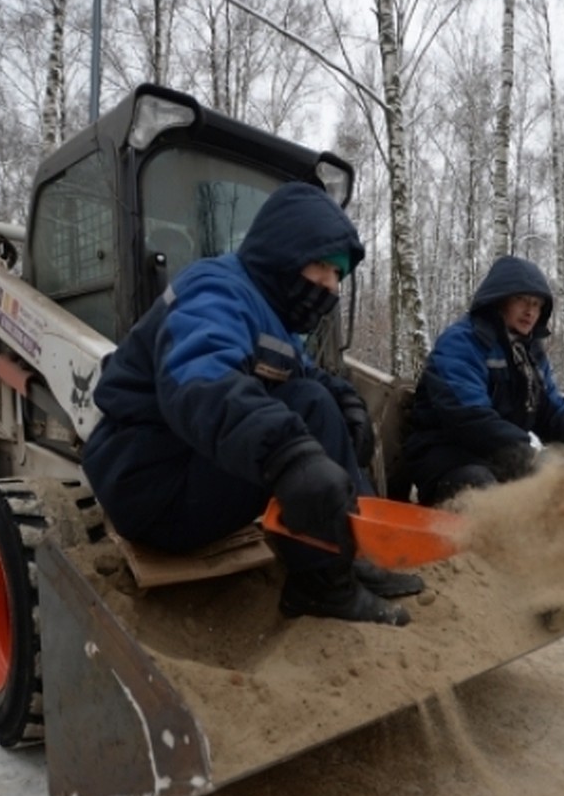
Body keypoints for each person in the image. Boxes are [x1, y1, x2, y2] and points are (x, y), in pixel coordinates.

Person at [82, 181, 421, 627]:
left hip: (179, 467)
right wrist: (289, 454)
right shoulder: (216, 291)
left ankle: (346, 551)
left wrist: (349, 403)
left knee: (320, 400)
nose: (331, 287)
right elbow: (201, 379)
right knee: (309, 410)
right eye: (323, 267)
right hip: (150, 484)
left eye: (338, 276)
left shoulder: (268, 313)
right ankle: (322, 586)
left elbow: (301, 373)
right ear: (286, 252)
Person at [403, 255, 564, 506]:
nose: (530, 311)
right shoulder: (462, 342)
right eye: (521, 300)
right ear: (499, 299)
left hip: (502, 460)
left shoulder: (530, 355)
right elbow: (469, 416)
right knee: (490, 499)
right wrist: (529, 457)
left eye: (536, 304)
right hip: (447, 459)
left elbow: (550, 413)